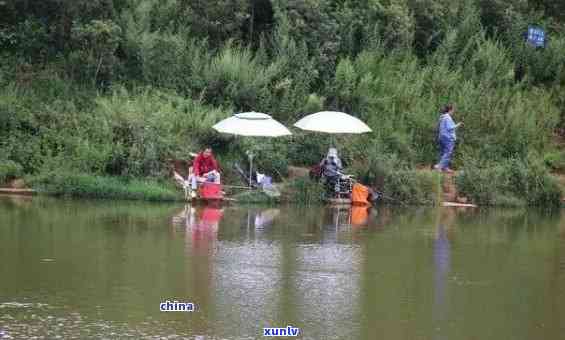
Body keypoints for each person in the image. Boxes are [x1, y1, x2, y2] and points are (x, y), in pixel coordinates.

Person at [434, 105, 462, 173]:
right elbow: (450, 128)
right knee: (448, 152)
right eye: (453, 110)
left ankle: (445, 168)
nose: (453, 112)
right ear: (450, 110)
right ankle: (439, 166)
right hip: (448, 138)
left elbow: (438, 127)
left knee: (443, 152)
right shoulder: (448, 117)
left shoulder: (442, 117)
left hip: (441, 137)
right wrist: (458, 125)